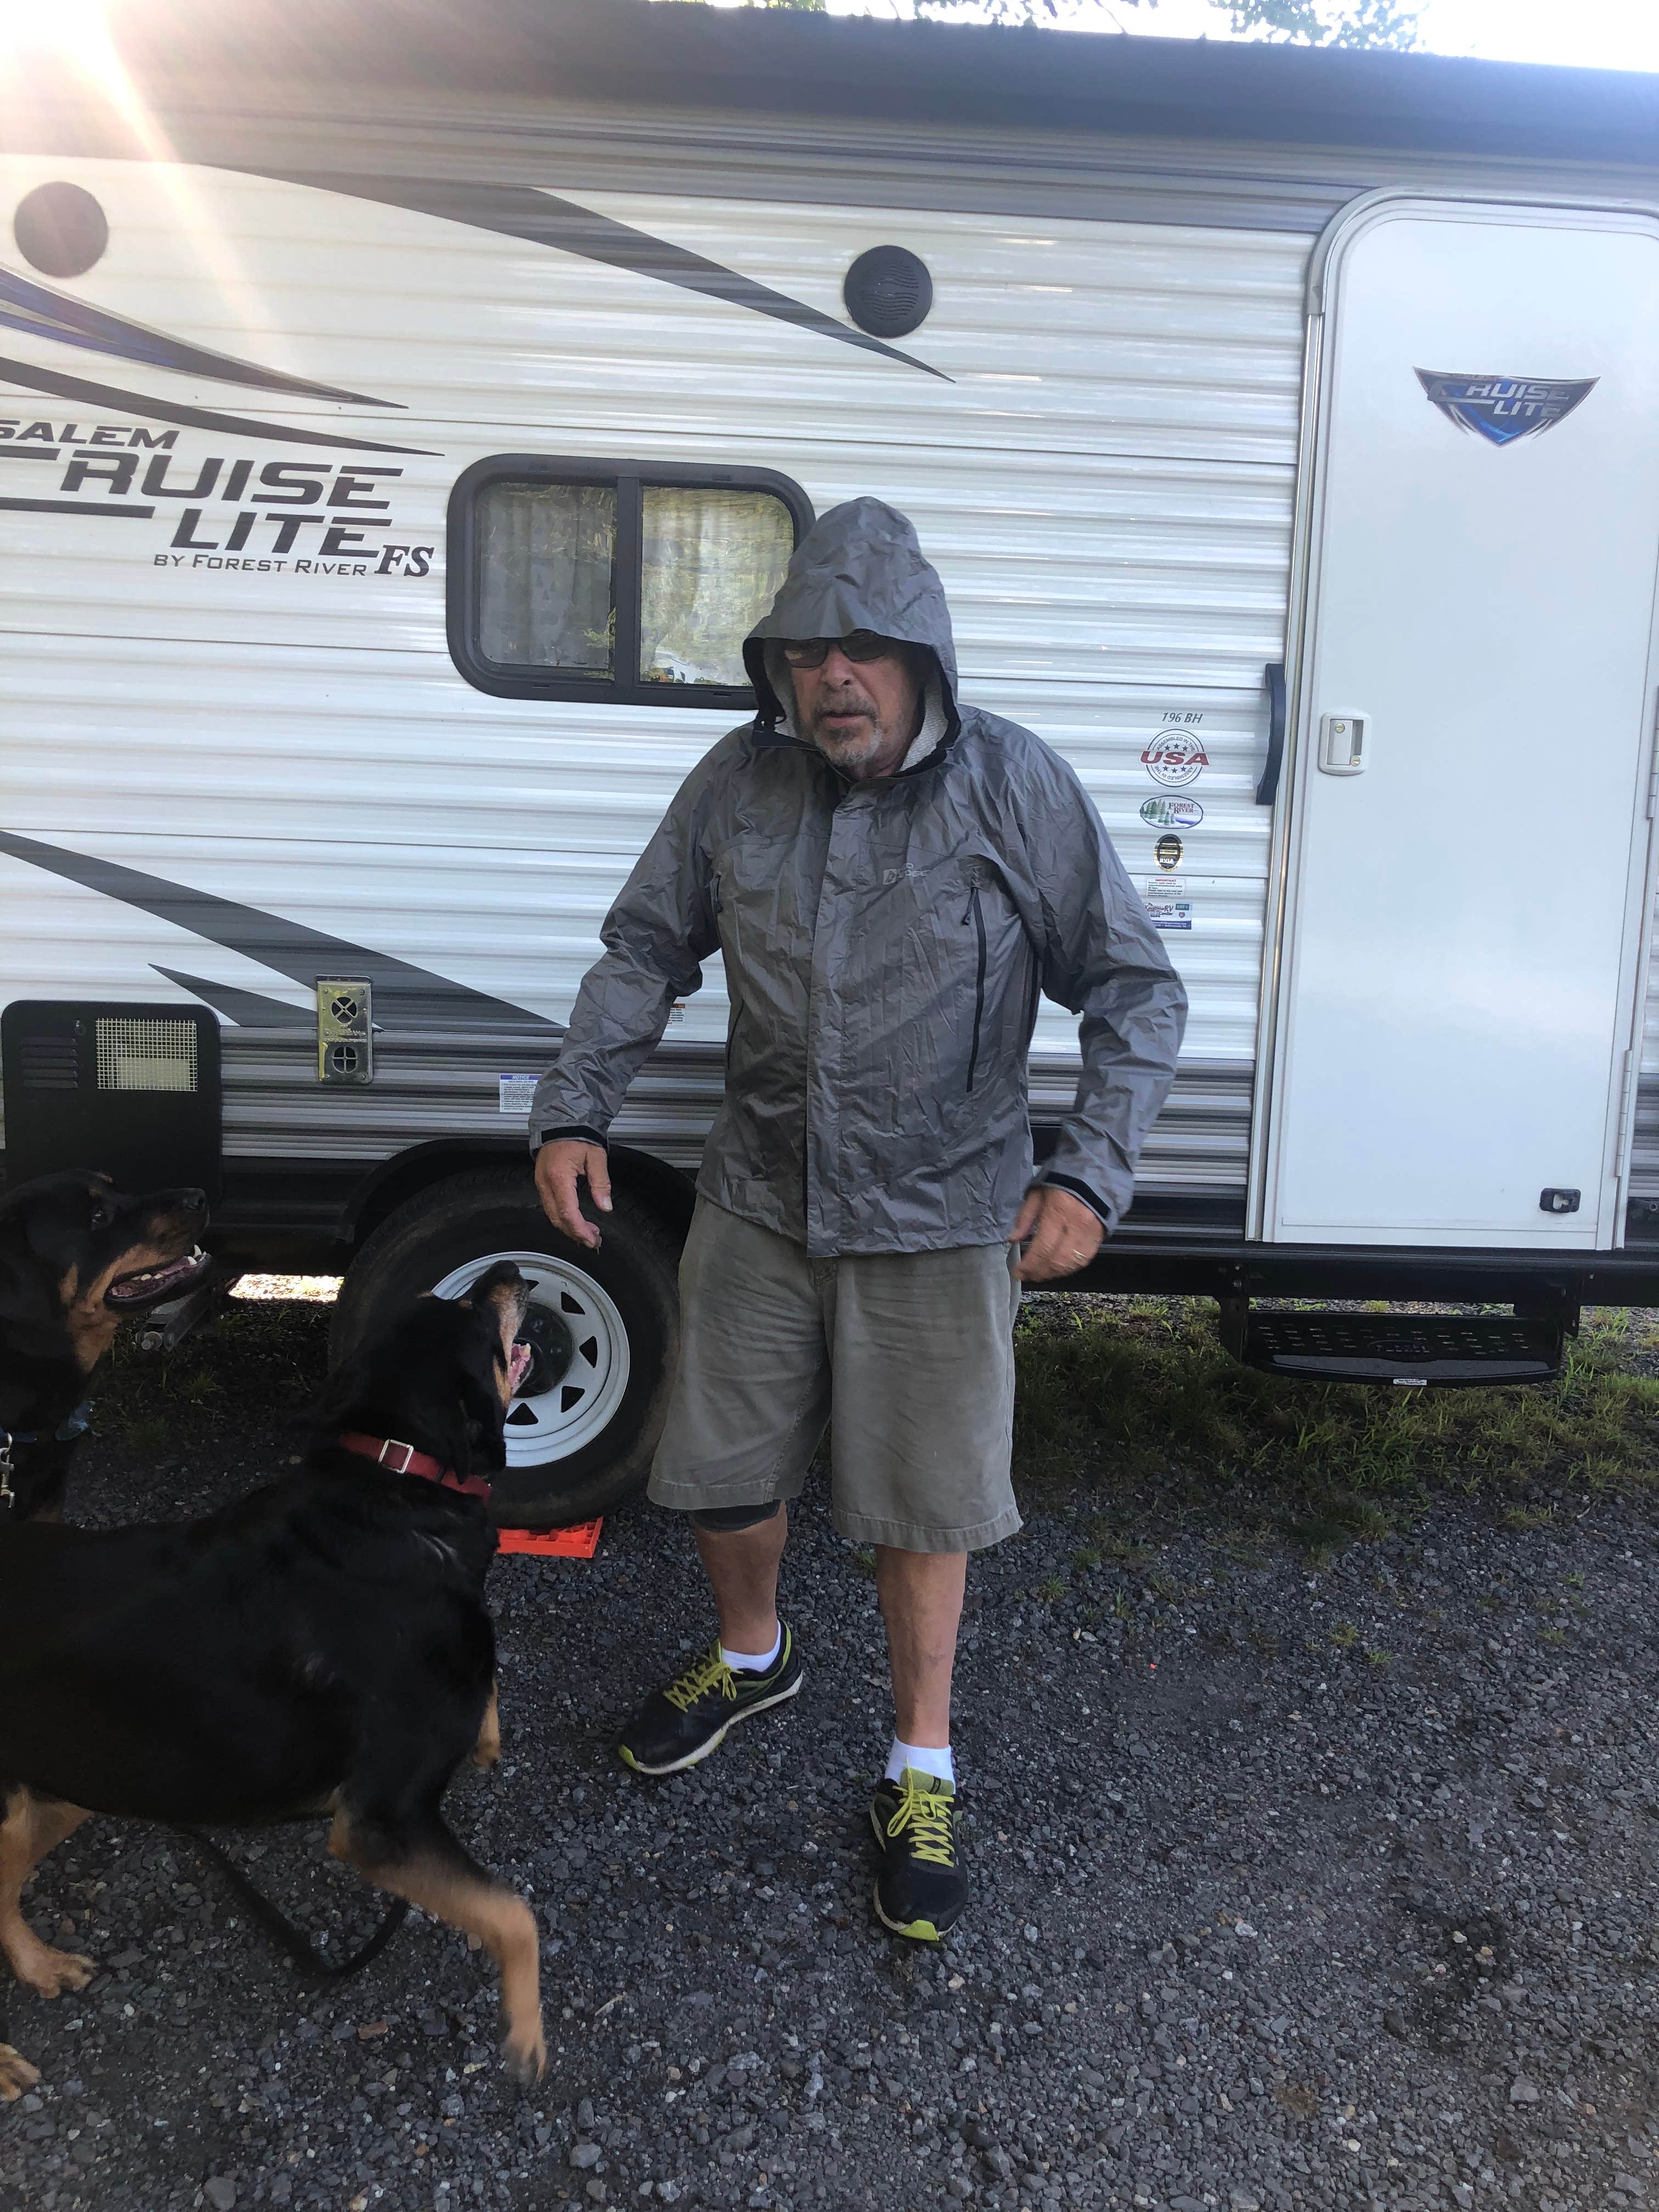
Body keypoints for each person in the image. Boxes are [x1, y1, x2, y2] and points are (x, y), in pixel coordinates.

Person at [531, 498, 1186, 1942]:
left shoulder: (1014, 786)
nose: (836, 677)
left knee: (923, 1500)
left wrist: (1088, 1172)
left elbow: (1137, 989)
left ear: (923, 659)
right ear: (778, 666)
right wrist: (577, 1108)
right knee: (721, 1464)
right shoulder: (738, 783)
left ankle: (920, 1761)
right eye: (809, 650)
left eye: (867, 651)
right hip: (761, 1195)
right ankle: (754, 1655)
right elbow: (648, 946)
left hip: (944, 1212)